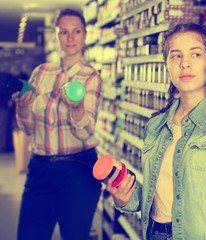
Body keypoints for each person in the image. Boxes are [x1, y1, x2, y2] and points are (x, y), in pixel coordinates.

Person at [106, 23, 206, 240]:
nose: (185, 63)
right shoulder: (157, 124)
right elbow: (157, 197)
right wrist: (125, 197)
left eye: (196, 54)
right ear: (167, 65)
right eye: (175, 56)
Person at [12, 8, 102, 240]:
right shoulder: (40, 73)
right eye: (64, 32)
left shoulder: (91, 77)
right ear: (56, 35)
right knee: (29, 235)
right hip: (39, 169)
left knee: (74, 236)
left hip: (78, 169)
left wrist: (77, 108)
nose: (70, 38)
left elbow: (85, 133)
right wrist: (22, 108)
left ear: (85, 34)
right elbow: (28, 129)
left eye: (76, 31)